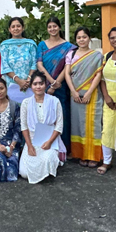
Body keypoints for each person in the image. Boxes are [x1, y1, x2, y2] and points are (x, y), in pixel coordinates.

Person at [64, 26, 104, 168]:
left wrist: (89, 92)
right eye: (79, 37)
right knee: (78, 123)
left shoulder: (97, 55)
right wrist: (73, 91)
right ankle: (80, 154)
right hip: (75, 93)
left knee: (93, 124)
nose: (82, 40)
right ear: (76, 39)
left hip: (92, 94)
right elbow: (67, 73)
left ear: (89, 38)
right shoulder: (71, 54)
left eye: (84, 37)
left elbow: (98, 74)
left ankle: (93, 156)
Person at [35, 16, 73, 151]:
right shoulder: (42, 45)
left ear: (59, 27)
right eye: (50, 27)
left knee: (61, 114)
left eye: (55, 26)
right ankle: (44, 144)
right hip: (43, 85)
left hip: (61, 86)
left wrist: (57, 83)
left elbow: (67, 66)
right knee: (44, 114)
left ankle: (64, 147)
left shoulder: (68, 47)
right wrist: (51, 82)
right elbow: (39, 64)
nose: (52, 29)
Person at [19, 71, 64, 184]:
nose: (38, 87)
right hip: (32, 140)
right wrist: (29, 146)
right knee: (24, 173)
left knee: (47, 159)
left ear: (45, 84)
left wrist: (49, 142)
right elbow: (24, 126)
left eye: (41, 83)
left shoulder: (55, 101)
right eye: (35, 84)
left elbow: (59, 125)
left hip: (50, 141)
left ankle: (53, 161)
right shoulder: (26, 103)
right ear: (31, 86)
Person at [98, 27, 116, 175]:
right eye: (112, 37)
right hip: (109, 99)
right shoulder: (107, 56)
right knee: (108, 129)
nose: (115, 40)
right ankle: (107, 161)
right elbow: (102, 79)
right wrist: (107, 97)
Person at [0, 17, 36, 106]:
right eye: (13, 26)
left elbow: (34, 63)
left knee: (29, 109)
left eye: (18, 26)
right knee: (13, 110)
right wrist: (18, 80)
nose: (16, 28)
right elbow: (5, 65)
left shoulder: (30, 44)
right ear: (9, 29)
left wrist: (28, 80)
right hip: (11, 84)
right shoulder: (5, 45)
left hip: (29, 84)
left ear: (23, 28)